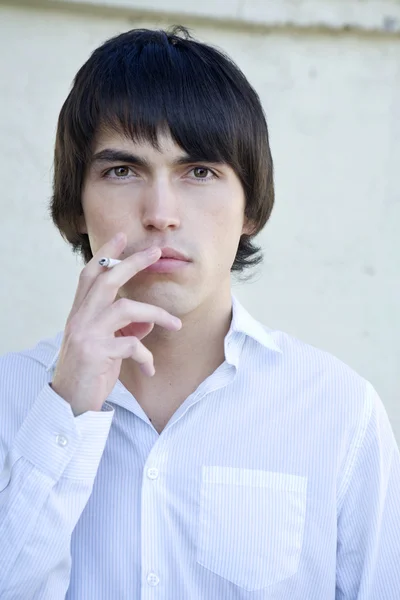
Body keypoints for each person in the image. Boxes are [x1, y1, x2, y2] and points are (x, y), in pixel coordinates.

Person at [0, 25, 399, 600]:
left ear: (249, 210)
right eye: (122, 170)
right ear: (77, 206)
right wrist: (64, 411)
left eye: (200, 172)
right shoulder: (14, 396)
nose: (160, 213)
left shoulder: (338, 412)